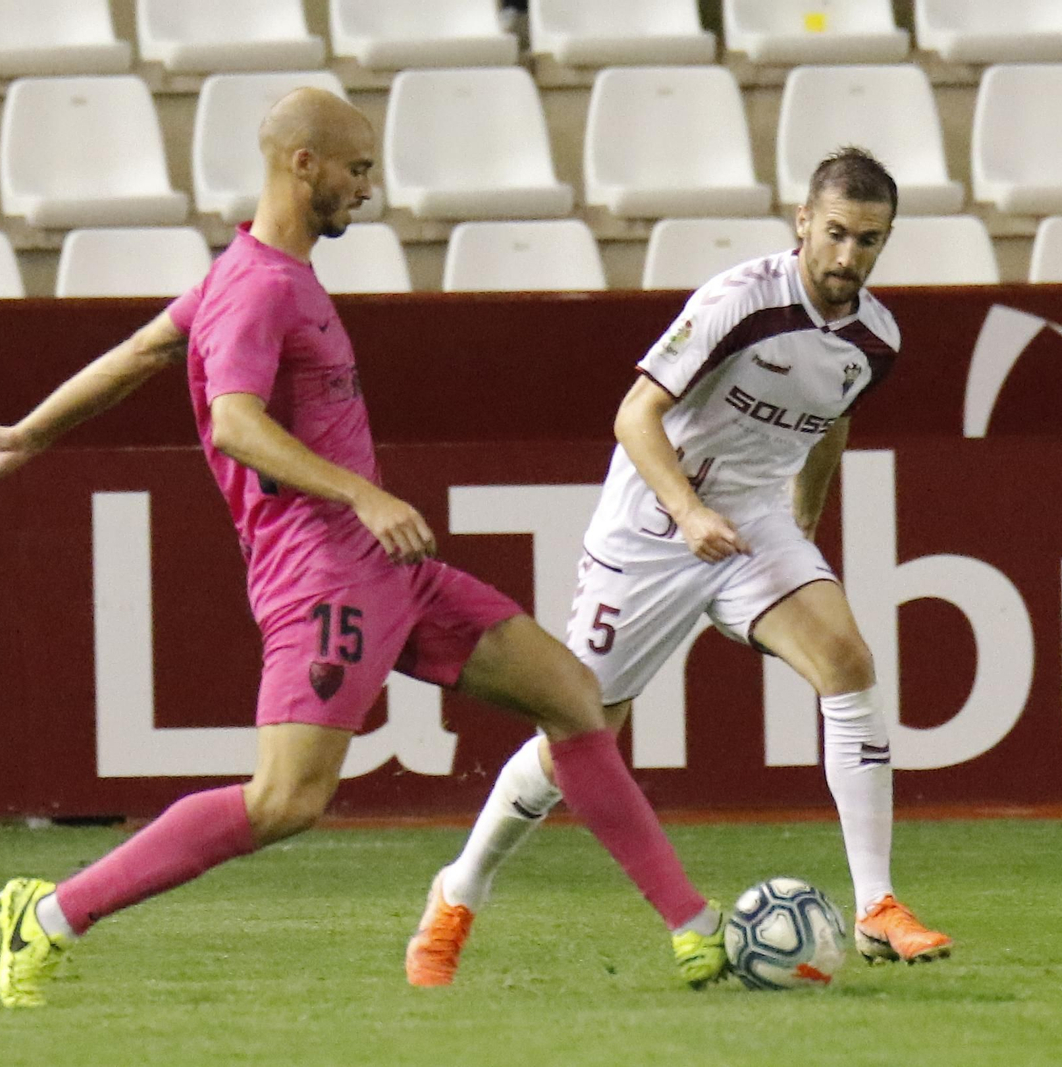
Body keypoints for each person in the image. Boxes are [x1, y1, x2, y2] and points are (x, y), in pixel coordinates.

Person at [0, 88, 726, 1008]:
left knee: (575, 703)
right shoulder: (261, 288)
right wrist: (363, 492)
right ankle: (53, 913)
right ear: (303, 164)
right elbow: (233, 424)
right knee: (284, 801)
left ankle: (693, 927)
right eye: (355, 171)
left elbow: (146, 350)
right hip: (322, 574)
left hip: (392, 571)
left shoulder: (252, 274)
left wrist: (28, 433)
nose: (366, 191)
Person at [405, 147, 953, 986]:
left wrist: (802, 515)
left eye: (869, 241)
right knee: (577, 732)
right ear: (802, 221)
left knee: (849, 663)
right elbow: (635, 415)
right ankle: (459, 890)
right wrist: (690, 512)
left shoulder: (876, 338)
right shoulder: (740, 302)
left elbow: (833, 414)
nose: (849, 256)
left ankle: (878, 905)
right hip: (653, 529)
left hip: (751, 525)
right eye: (837, 233)